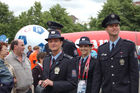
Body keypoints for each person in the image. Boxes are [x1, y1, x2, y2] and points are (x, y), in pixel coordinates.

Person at [92, 14, 139, 93]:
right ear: (106, 29)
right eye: (111, 26)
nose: (114, 28)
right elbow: (98, 75)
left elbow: (134, 74)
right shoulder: (101, 49)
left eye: (116, 25)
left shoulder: (129, 46)